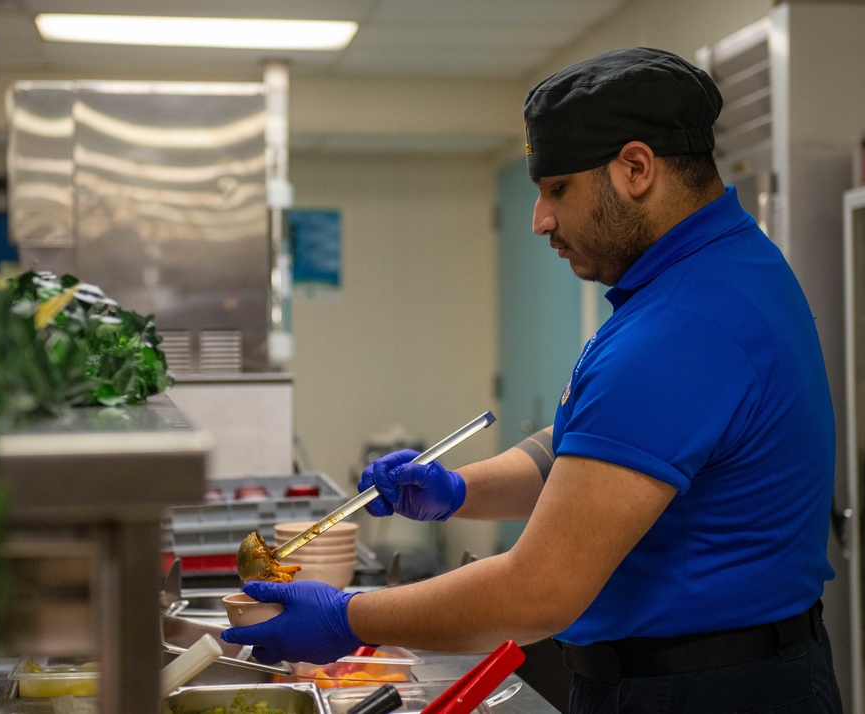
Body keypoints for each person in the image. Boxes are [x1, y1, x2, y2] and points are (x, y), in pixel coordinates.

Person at [222, 47, 843, 713]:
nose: (540, 221)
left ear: (636, 168)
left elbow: (536, 592)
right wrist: (457, 491)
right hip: (724, 671)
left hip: (703, 691)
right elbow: (590, 446)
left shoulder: (683, 326)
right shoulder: (726, 270)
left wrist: (349, 616)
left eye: (556, 191)